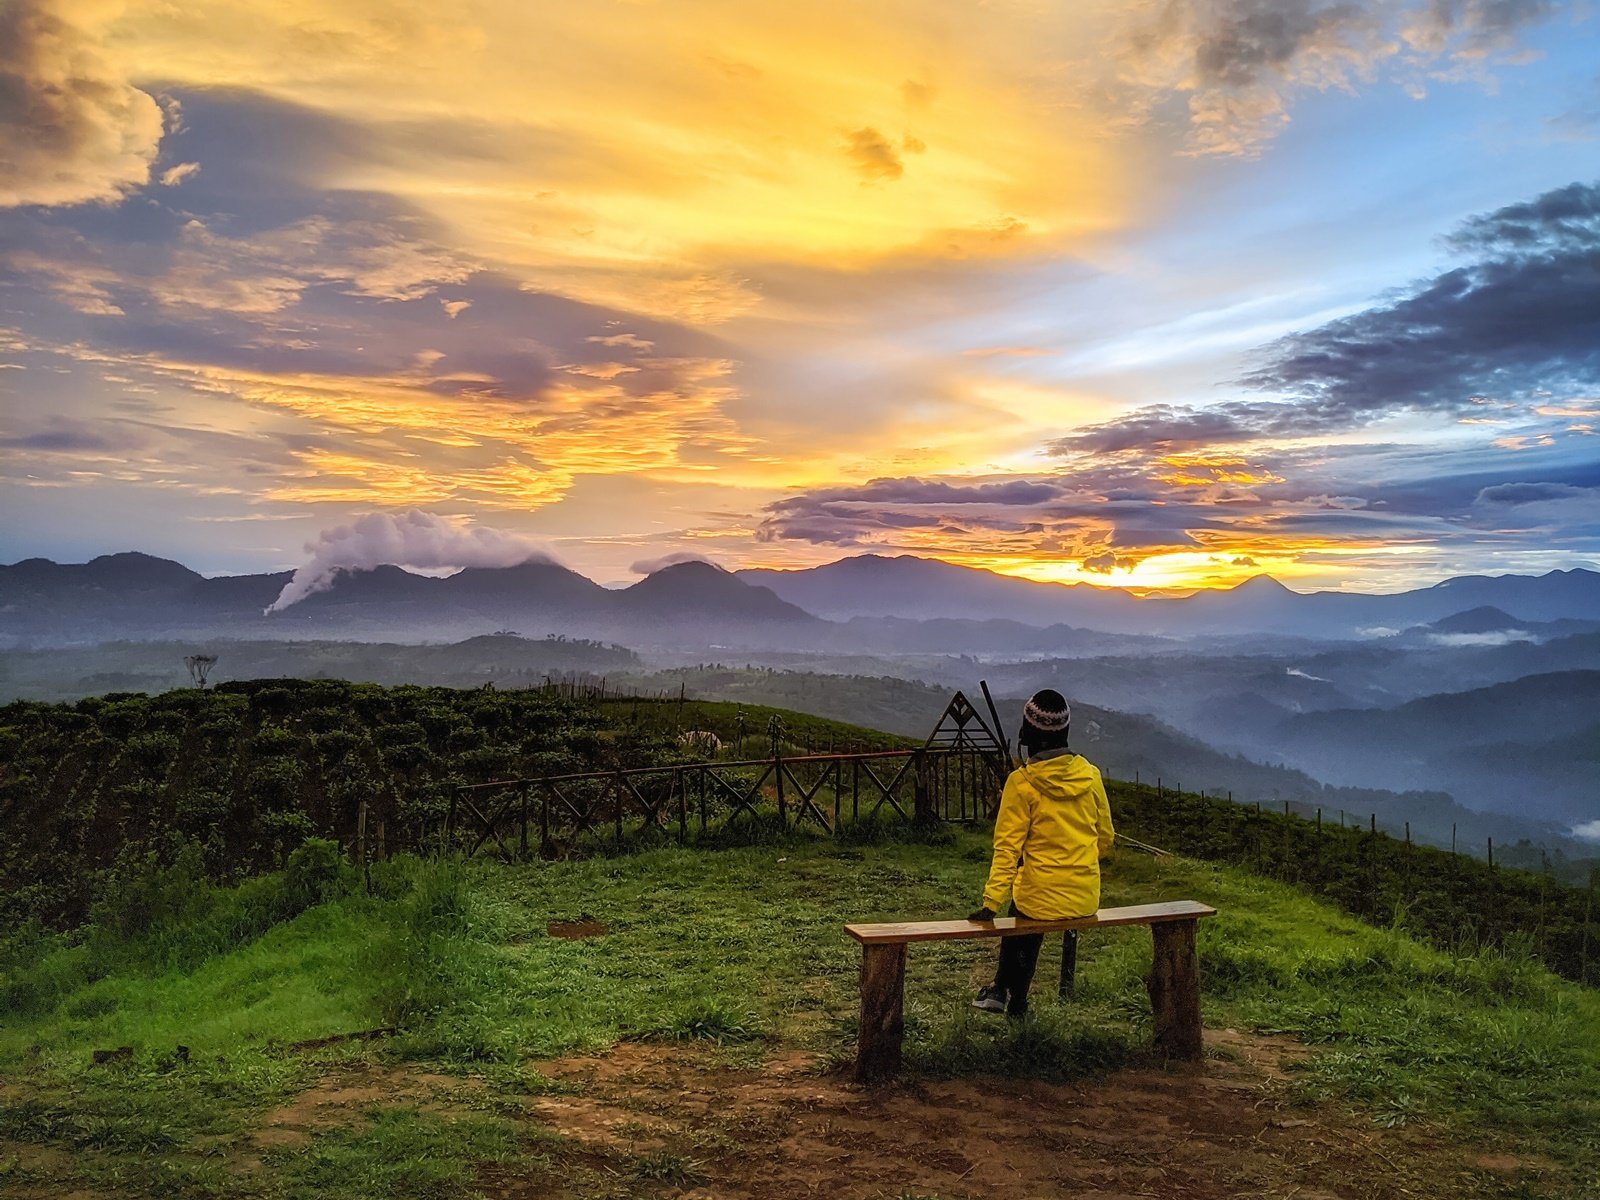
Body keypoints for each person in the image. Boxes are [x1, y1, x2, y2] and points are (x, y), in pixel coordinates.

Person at [967, 688, 1114, 1017]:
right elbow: (1106, 838)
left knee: (1026, 900)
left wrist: (991, 903)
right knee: (1032, 895)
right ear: (1065, 732)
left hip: (1040, 900)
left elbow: (1007, 849)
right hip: (1086, 897)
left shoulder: (1021, 784)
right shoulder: (1090, 777)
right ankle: (1008, 995)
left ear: (1026, 733)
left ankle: (1006, 993)